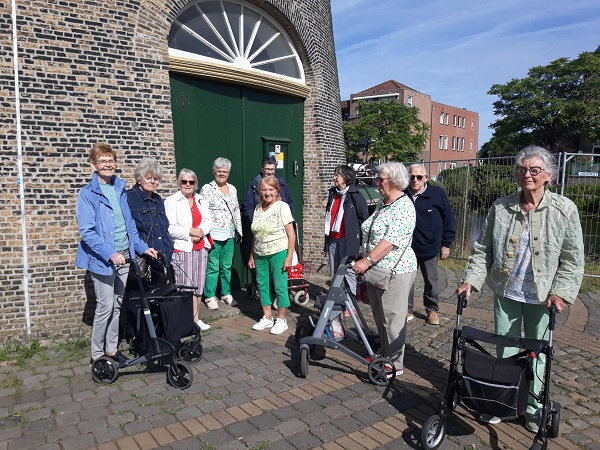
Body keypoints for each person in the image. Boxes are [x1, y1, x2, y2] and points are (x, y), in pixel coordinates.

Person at [456, 146, 584, 432]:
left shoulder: (564, 209)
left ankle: (533, 407)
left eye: (535, 170)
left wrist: (561, 292)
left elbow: (573, 259)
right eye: (522, 169)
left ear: (548, 175)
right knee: (505, 351)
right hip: (507, 291)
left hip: (543, 296)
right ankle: (505, 402)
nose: (527, 174)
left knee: (537, 354)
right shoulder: (502, 206)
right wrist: (470, 280)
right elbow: (482, 249)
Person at [75, 143, 158, 365]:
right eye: (102, 161)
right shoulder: (87, 194)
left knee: (117, 305)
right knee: (105, 306)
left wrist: (141, 247)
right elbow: (87, 232)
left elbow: (129, 225)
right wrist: (110, 253)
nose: (107, 164)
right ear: (93, 165)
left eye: (110, 160)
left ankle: (111, 350)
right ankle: (97, 355)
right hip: (103, 259)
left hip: (124, 256)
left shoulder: (119, 189)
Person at [352, 162, 417, 378]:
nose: (376, 182)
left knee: (393, 318)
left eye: (380, 179)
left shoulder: (404, 206)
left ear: (394, 181)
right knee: (380, 316)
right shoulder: (384, 202)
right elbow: (373, 230)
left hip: (395, 271)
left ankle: (395, 363)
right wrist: (364, 255)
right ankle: (385, 352)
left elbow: (389, 241)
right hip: (377, 269)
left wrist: (367, 260)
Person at [404, 164, 456, 325]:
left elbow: (449, 219)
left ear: (426, 178)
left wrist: (446, 244)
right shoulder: (402, 194)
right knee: (406, 280)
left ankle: (432, 309)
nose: (415, 180)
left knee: (431, 280)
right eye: (412, 177)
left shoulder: (437, 194)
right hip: (407, 248)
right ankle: (406, 308)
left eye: (419, 177)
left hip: (430, 246)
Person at [164, 169, 213, 331]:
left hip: (200, 247)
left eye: (191, 182)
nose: (187, 185)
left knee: (198, 285)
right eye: (184, 181)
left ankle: (195, 319)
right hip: (183, 248)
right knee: (185, 287)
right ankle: (184, 322)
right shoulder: (172, 201)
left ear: (195, 184)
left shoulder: (200, 200)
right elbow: (169, 228)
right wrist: (190, 232)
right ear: (179, 183)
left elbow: (208, 221)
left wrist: (200, 232)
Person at [248, 176, 295, 335]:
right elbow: (255, 234)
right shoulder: (257, 208)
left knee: (279, 285)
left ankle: (281, 320)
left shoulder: (282, 207)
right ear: (260, 192)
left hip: (278, 251)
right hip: (260, 252)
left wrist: (289, 256)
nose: (267, 193)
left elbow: (291, 234)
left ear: (277, 191)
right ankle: (267, 317)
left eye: (271, 189)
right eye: (264, 190)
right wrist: (252, 255)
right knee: (262, 285)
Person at [200, 157, 243, 310]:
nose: (222, 174)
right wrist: (204, 232)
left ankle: (226, 293)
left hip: (229, 234)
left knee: (226, 266)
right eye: (219, 171)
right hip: (213, 235)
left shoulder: (233, 189)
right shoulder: (207, 189)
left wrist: (239, 231)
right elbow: (202, 212)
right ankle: (210, 295)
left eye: (224, 171)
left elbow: (236, 211)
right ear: (214, 172)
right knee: (213, 266)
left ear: (228, 173)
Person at [126, 157, 174, 283]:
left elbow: (163, 229)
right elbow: (128, 230)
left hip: (160, 259)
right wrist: (142, 248)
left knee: (161, 292)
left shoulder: (158, 200)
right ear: (139, 179)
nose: (152, 181)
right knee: (140, 293)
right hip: (142, 260)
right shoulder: (128, 198)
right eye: (148, 178)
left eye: (156, 178)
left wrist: (169, 248)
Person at [324, 164, 369, 295]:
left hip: (347, 240)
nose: (334, 177)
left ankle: (350, 300)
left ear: (346, 177)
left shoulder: (355, 195)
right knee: (335, 272)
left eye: (337, 175)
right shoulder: (333, 193)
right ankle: (337, 299)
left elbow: (363, 219)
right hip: (333, 239)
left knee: (348, 270)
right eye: (334, 175)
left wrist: (360, 241)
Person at [242, 156, 295, 223]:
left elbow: (290, 202)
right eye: (267, 169)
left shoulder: (282, 183)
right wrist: (255, 223)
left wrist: (288, 220)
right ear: (262, 169)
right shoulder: (254, 184)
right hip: (261, 223)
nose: (270, 172)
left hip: (280, 223)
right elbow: (248, 206)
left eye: (272, 169)